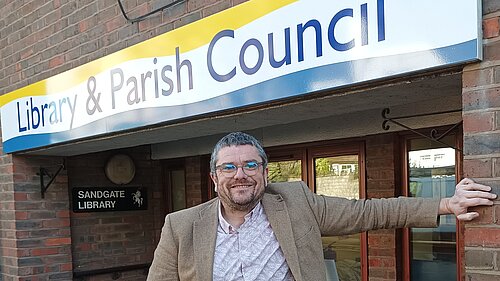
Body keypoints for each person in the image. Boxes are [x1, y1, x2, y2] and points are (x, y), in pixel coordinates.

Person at [147, 132, 496, 281]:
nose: (241, 175)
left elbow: (370, 212)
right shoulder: (181, 226)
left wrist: (447, 203)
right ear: (214, 177)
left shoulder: (296, 202)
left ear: (265, 174)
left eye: (251, 166)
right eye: (229, 167)